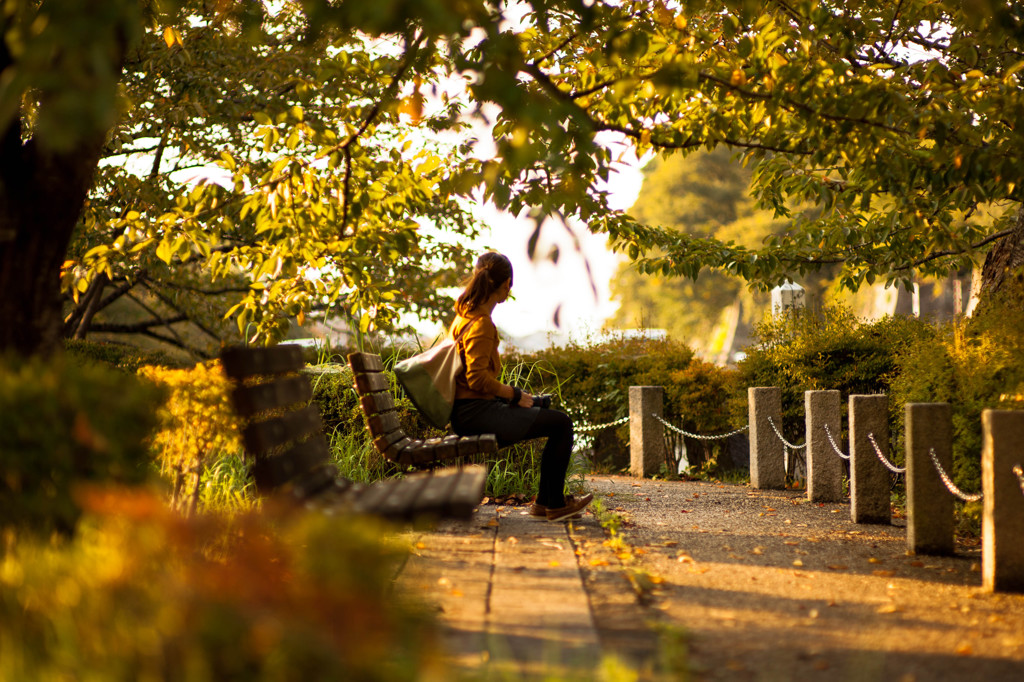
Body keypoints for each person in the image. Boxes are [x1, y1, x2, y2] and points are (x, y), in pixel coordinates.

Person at [449, 251, 593, 522]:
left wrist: (517, 398)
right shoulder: (480, 324)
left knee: (550, 415)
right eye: (509, 284)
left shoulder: (463, 317)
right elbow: (476, 379)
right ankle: (552, 504)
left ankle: (546, 503)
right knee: (561, 424)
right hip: (475, 413)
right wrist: (514, 395)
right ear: (505, 285)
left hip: (469, 410)